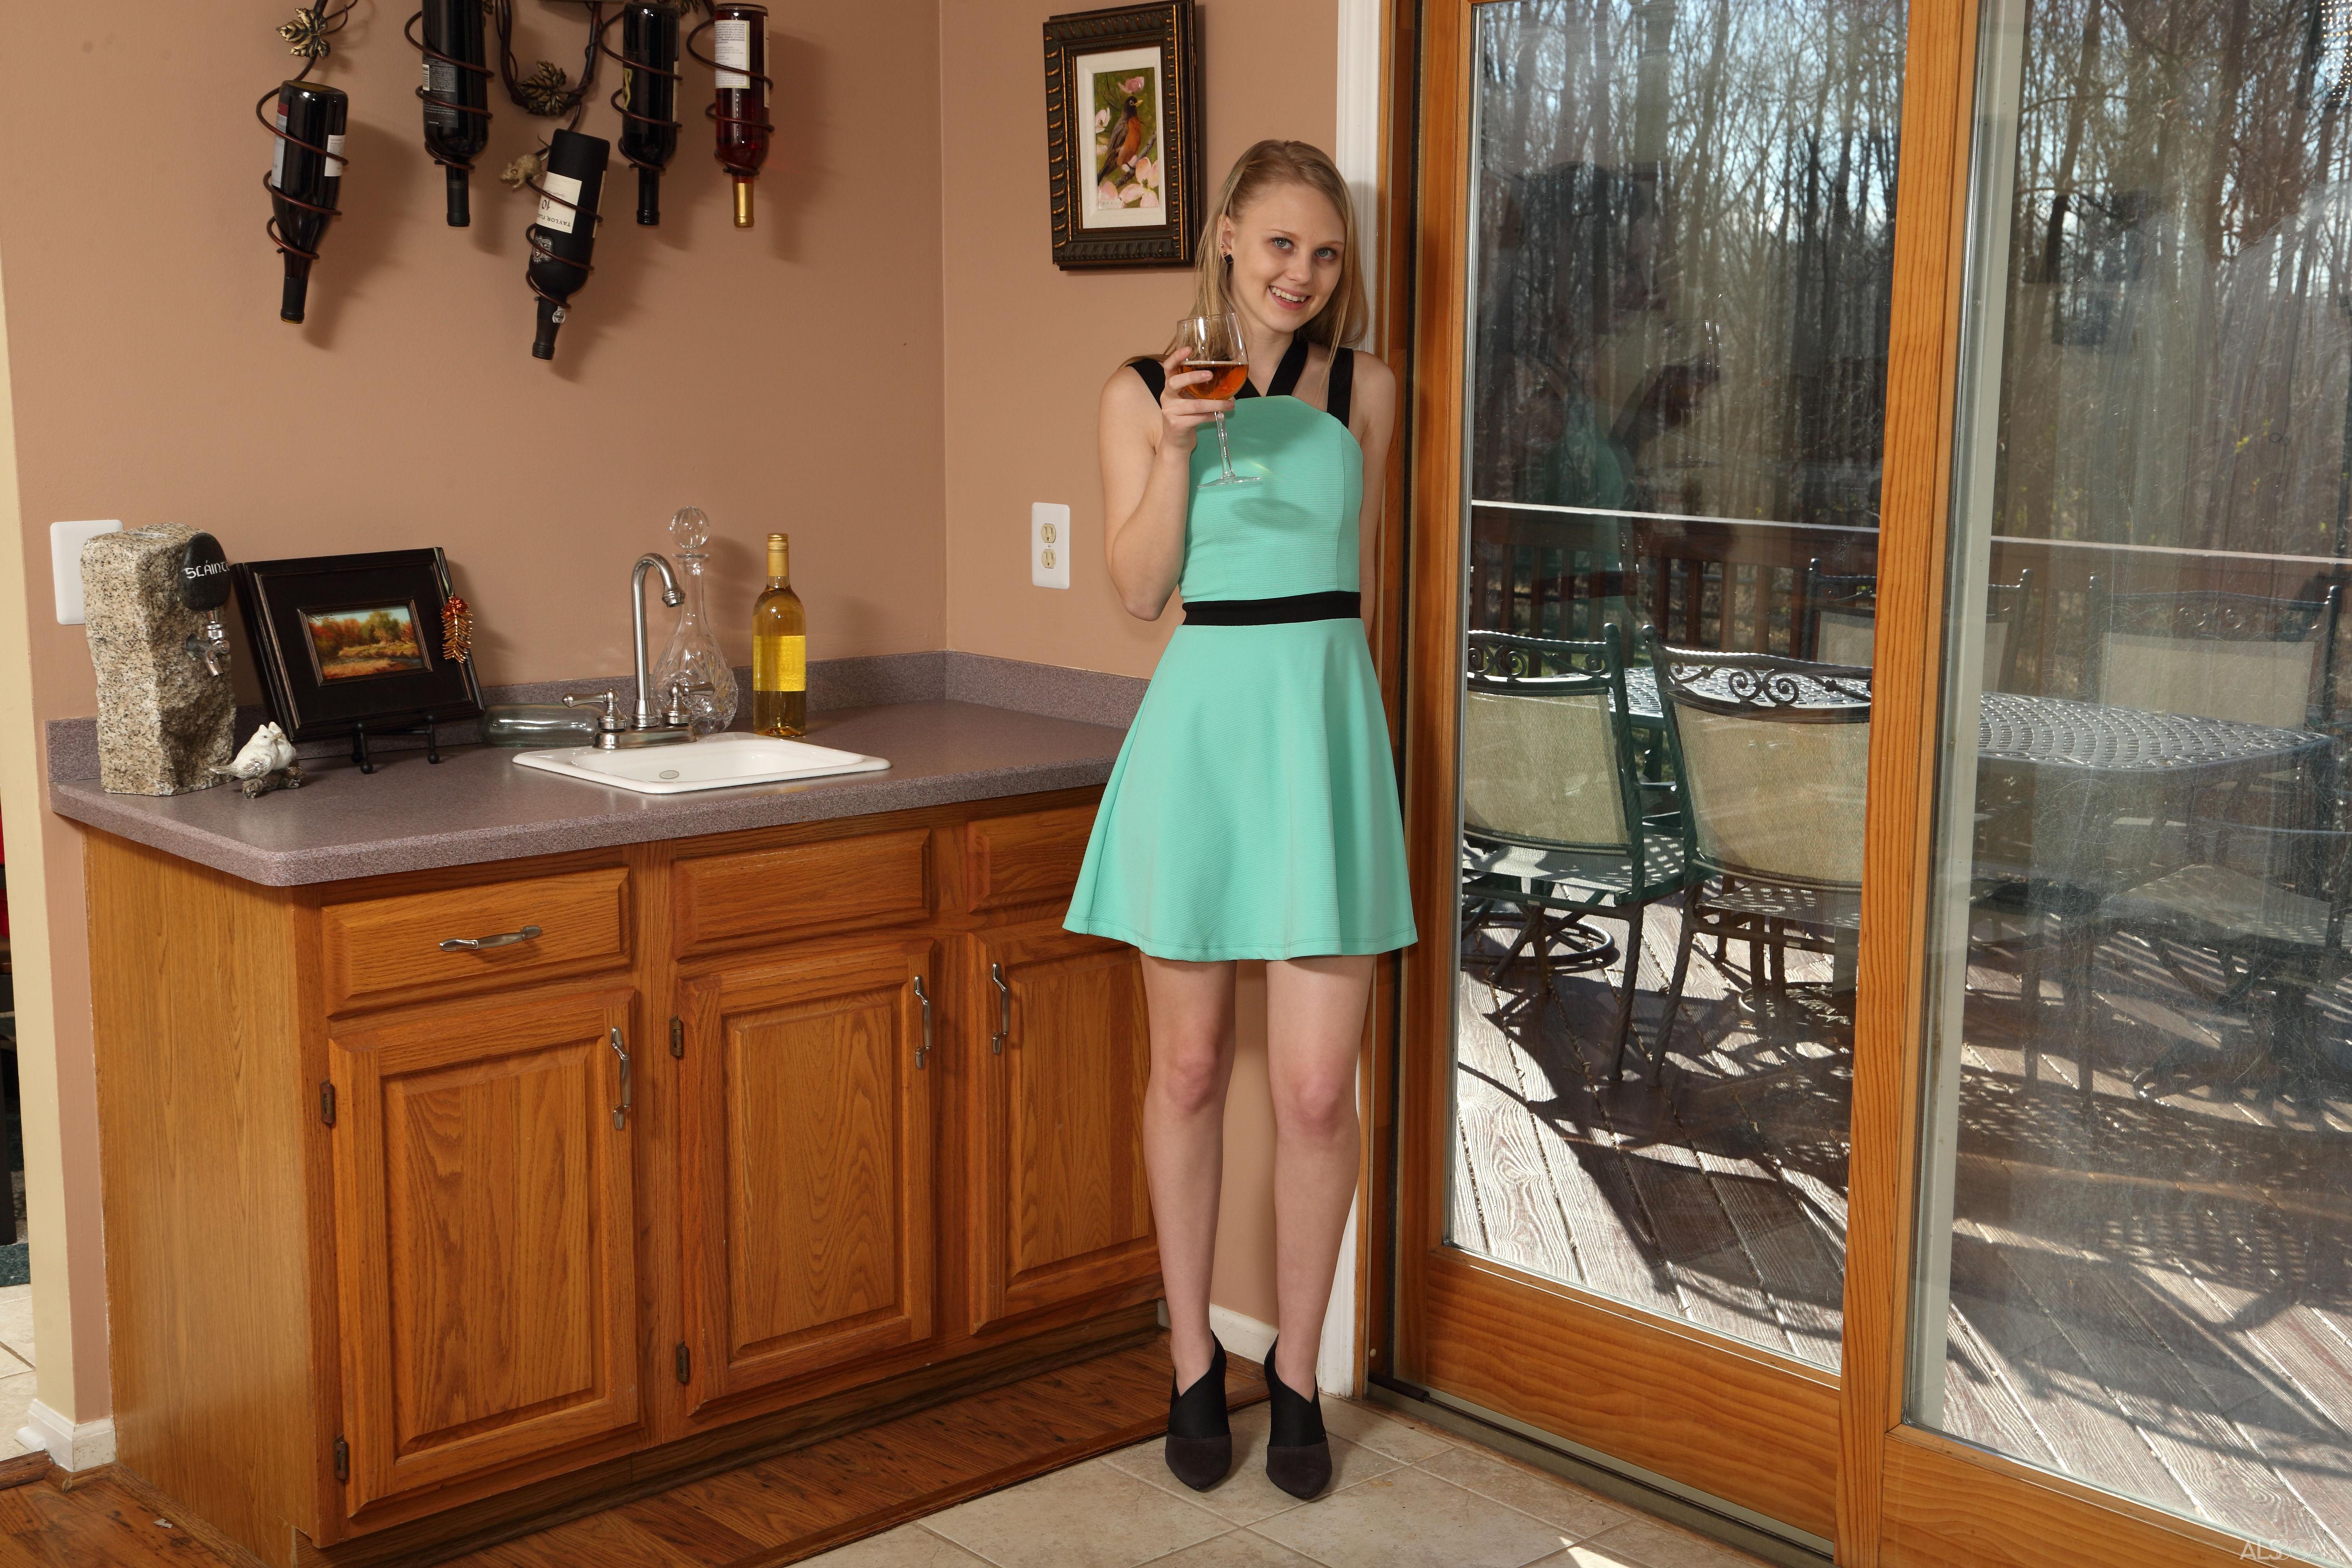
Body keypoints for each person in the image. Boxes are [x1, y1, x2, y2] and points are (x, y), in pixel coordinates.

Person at [1062, 139, 1415, 1501]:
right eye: (1279, 245)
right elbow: (1138, 591)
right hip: (1203, 744)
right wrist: (1171, 446)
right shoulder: (1137, 389)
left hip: (1320, 742)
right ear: (1225, 237)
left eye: (1325, 253)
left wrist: (1355, 747)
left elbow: (1355, 585)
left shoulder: (1366, 389)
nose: (1300, 275)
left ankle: (1302, 1373)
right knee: (1195, 1069)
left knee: (1320, 1091)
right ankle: (1193, 1360)